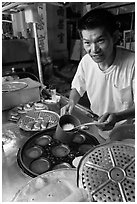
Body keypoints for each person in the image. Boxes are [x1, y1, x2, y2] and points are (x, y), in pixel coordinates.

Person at [61, 8, 135, 138]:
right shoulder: (86, 62)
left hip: (128, 132)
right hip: (98, 126)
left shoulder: (133, 63)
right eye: (87, 43)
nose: (94, 50)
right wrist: (71, 102)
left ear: (115, 37)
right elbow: (78, 88)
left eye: (100, 41)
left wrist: (117, 117)